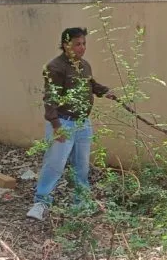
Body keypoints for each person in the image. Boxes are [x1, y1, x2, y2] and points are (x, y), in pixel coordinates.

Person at [27, 27, 116, 221]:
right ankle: (41, 201)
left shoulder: (84, 65)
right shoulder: (55, 67)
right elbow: (50, 97)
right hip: (63, 122)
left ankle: (81, 202)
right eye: (77, 44)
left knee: (81, 164)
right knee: (55, 164)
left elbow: (90, 84)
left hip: (83, 122)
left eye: (84, 43)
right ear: (66, 45)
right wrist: (56, 126)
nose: (82, 48)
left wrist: (104, 91)